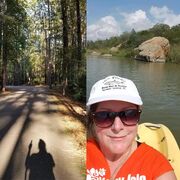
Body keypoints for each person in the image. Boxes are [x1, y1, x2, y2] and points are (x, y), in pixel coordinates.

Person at [86, 75, 177, 180]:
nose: (117, 127)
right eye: (104, 115)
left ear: (138, 116)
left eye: (129, 114)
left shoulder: (156, 165)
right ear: (92, 119)